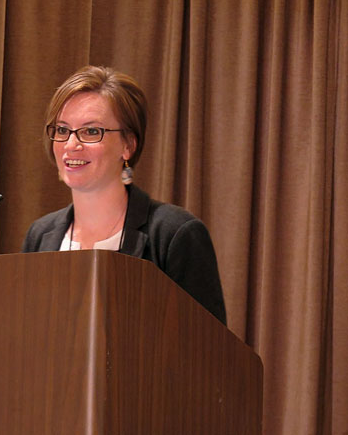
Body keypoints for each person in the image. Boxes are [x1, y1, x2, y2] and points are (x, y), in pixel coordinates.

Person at [22, 65, 227, 325]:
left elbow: (209, 351)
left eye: (91, 131)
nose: (71, 145)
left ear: (128, 145)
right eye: (62, 130)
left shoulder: (174, 234)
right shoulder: (40, 236)